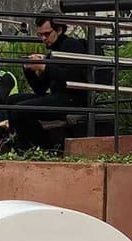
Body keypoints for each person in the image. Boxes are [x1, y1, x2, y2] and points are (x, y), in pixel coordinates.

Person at [9, 13, 90, 151]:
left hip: (72, 98)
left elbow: (72, 76)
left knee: (20, 110)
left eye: (47, 34)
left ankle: (46, 148)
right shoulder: (52, 52)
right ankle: (19, 144)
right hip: (57, 97)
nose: (44, 38)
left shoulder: (71, 45)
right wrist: (29, 69)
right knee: (12, 101)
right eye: (40, 35)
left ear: (59, 30)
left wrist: (44, 67)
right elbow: (40, 89)